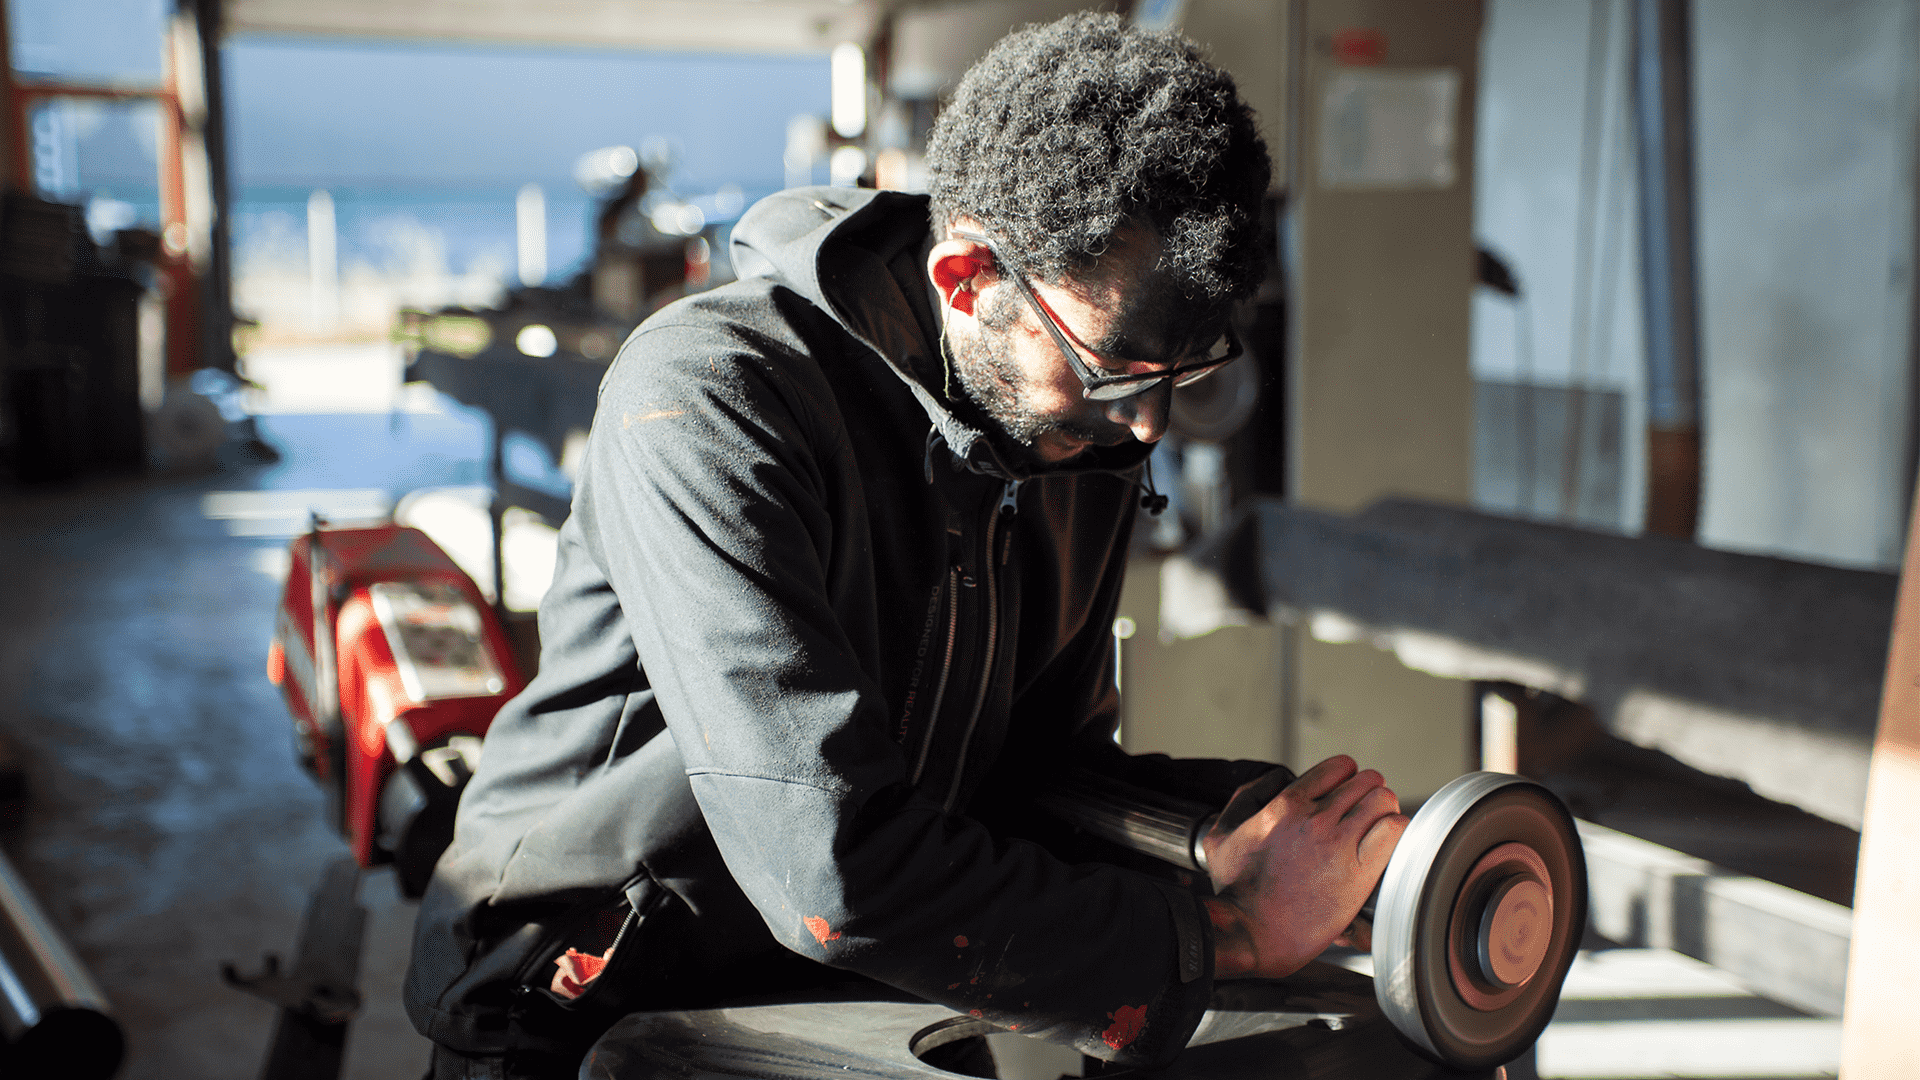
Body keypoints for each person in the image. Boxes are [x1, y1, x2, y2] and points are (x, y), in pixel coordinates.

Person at [405, 13, 1407, 1079]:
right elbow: (831, 867)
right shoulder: (712, 400)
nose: (1149, 427)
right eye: (1119, 372)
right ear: (967, 277)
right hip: (588, 989)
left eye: (1185, 378)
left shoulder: (1070, 433)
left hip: (868, 992)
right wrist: (1226, 935)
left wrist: (1255, 838)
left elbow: (1033, 777)